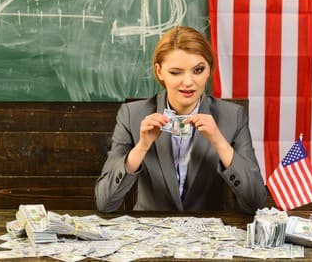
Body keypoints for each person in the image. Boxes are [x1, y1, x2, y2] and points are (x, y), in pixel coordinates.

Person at [95, 26, 267, 213]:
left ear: (209, 69)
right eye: (176, 72)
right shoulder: (132, 115)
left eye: (198, 70)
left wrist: (219, 142)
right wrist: (141, 147)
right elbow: (105, 203)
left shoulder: (233, 117)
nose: (188, 82)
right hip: (151, 233)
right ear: (159, 72)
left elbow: (256, 202)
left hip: (208, 234)